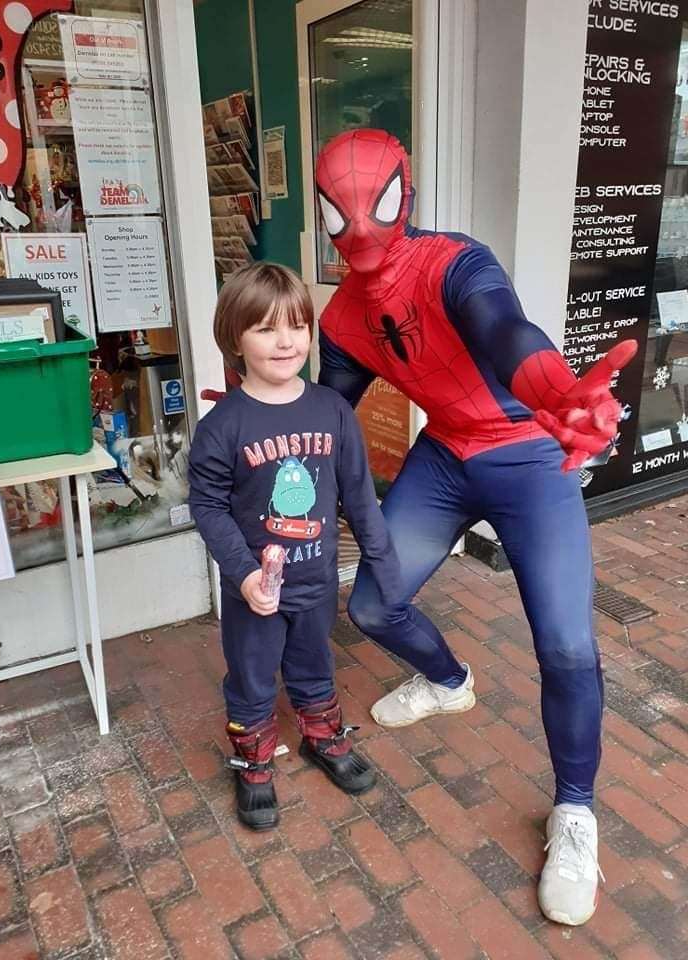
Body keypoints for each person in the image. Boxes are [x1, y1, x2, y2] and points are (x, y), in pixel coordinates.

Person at [315, 128, 637, 925]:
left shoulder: (456, 261)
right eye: (339, 215)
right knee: (372, 606)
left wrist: (556, 390)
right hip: (448, 456)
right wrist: (258, 424)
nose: (358, 231)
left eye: (375, 206)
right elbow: (328, 408)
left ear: (406, 195)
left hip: (529, 456)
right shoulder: (341, 317)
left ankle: (574, 812)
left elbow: (502, 329)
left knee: (565, 645)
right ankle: (449, 681)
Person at [188, 262, 402, 831]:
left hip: (316, 579)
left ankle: (321, 735)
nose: (286, 342)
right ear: (236, 338)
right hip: (254, 590)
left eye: (297, 326)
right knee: (253, 675)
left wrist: (383, 563)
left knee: (314, 661)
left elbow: (358, 494)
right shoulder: (222, 428)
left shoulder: (332, 410)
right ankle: (254, 759)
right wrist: (243, 574)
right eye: (265, 328)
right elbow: (207, 507)